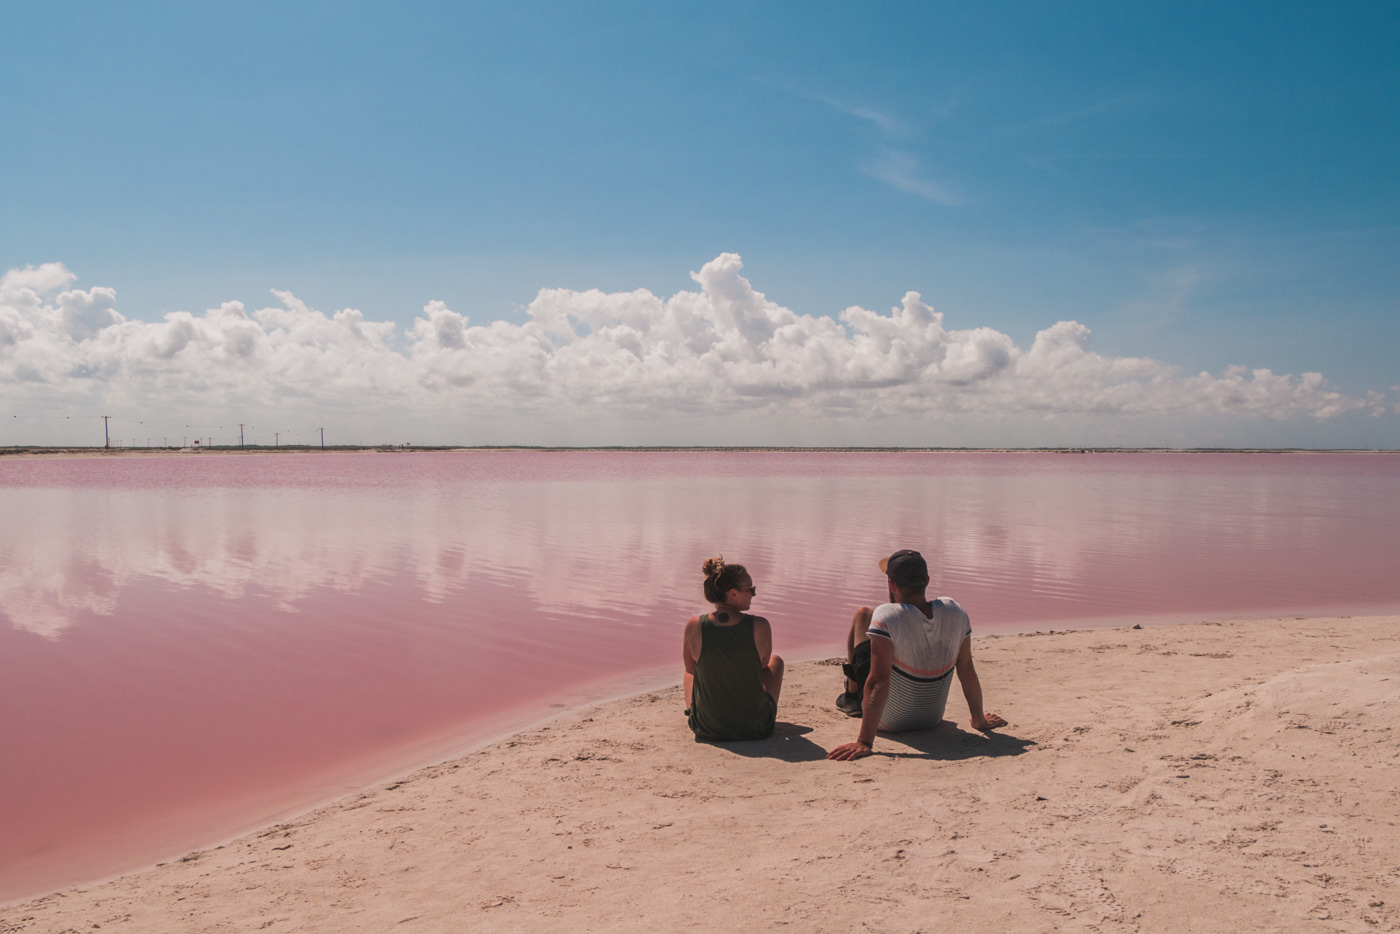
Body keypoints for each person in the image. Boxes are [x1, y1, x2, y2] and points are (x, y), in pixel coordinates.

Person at [828, 549, 1006, 761]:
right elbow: (966, 668)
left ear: (892, 584)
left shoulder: (887, 615)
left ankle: (851, 694)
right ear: (927, 581)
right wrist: (979, 720)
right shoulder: (955, 610)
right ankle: (852, 693)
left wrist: (864, 742)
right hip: (931, 718)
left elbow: (878, 681)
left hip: (889, 721)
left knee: (862, 615)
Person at [683, 556, 784, 741]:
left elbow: (691, 670)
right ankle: (750, 713)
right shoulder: (760, 626)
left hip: (706, 728)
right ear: (733, 594)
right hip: (757, 728)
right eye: (750, 589)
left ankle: (693, 711)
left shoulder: (694, 626)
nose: (753, 594)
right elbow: (762, 667)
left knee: (691, 671)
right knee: (775, 661)